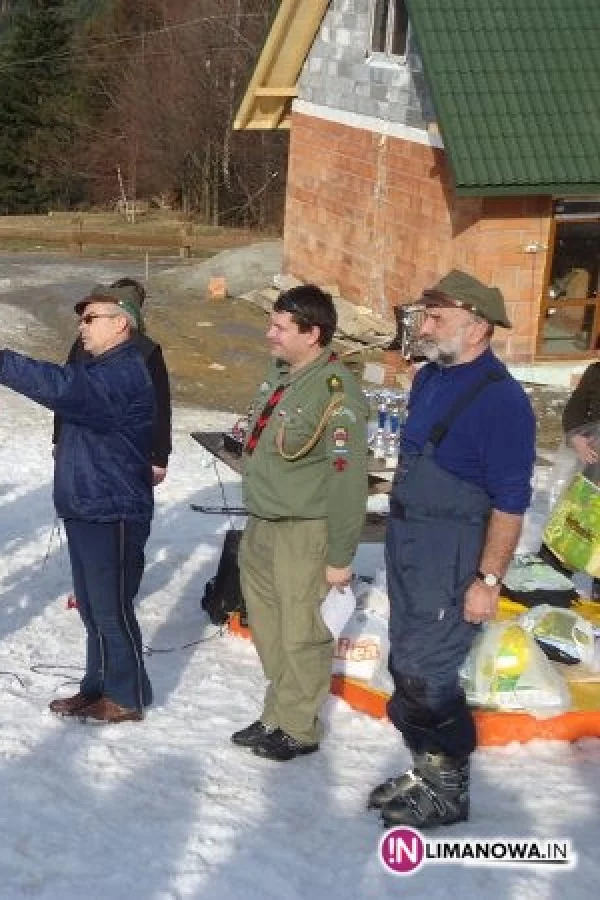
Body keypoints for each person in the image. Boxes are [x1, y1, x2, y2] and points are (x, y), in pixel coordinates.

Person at [369, 270, 535, 829]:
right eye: (426, 315)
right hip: (410, 540)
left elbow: (511, 503)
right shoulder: (430, 380)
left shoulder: (503, 401)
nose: (425, 326)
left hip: (454, 549)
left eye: (438, 318)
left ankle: (448, 788)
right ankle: (425, 768)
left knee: (428, 670)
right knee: (405, 657)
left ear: (478, 326)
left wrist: (487, 581)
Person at [0, 286, 153, 720]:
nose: (82, 326)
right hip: (86, 503)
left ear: (121, 323)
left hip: (111, 507)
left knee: (111, 609)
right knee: (94, 609)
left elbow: (65, 388)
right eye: (81, 319)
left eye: (90, 318)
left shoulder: (125, 370)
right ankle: (97, 688)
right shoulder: (100, 366)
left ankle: (127, 696)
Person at [232, 284, 368, 759]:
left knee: (301, 633)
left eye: (280, 327)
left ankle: (298, 726)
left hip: (303, 530)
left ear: (313, 334)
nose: (270, 334)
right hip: (263, 524)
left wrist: (339, 557)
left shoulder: (336, 393)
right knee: (268, 628)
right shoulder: (283, 375)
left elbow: (348, 481)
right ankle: (277, 713)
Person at [53, 278, 172, 484]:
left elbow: (159, 406)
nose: (83, 326)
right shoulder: (85, 344)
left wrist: (159, 456)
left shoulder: (145, 351)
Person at [543, 360, 600, 597]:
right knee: (572, 530)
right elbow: (574, 411)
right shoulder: (596, 372)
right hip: (593, 469)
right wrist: (576, 437)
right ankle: (550, 589)